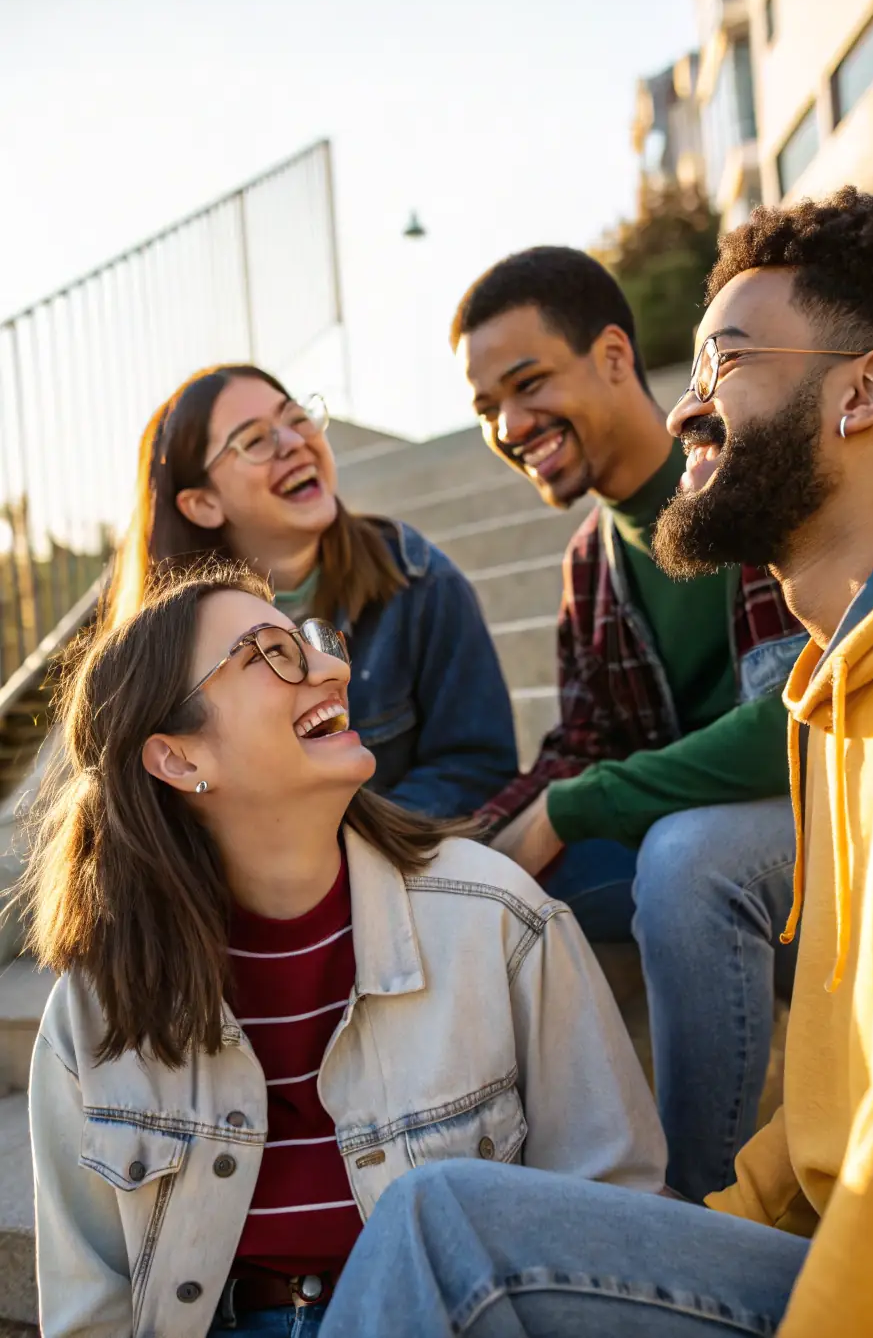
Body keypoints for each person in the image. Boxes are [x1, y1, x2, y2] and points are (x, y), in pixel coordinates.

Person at [320, 186, 873, 1338]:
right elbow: (825, 1133)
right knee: (438, 1214)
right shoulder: (847, 699)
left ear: (865, 390)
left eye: (726, 361)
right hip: (827, 1251)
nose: (688, 403)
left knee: (446, 1230)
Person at [23, 565, 666, 1338]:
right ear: (180, 758)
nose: (332, 667)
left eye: (316, 643)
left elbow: (616, 1211)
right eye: (272, 652)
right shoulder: (97, 1006)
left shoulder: (499, 916)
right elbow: (88, 1307)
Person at [450, 247, 806, 1199]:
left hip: (828, 829)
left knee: (684, 856)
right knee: (480, 884)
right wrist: (460, 847)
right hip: (689, 854)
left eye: (528, 385)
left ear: (613, 355)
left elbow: (794, 726)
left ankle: (698, 1209)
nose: (510, 426)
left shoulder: (745, 475)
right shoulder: (588, 562)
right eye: (488, 409)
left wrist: (577, 804)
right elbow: (580, 745)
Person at [103, 363, 518, 818]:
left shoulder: (415, 576)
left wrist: (343, 848)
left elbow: (478, 766)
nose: (297, 443)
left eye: (297, 419)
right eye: (256, 440)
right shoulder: (164, 652)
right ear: (203, 504)